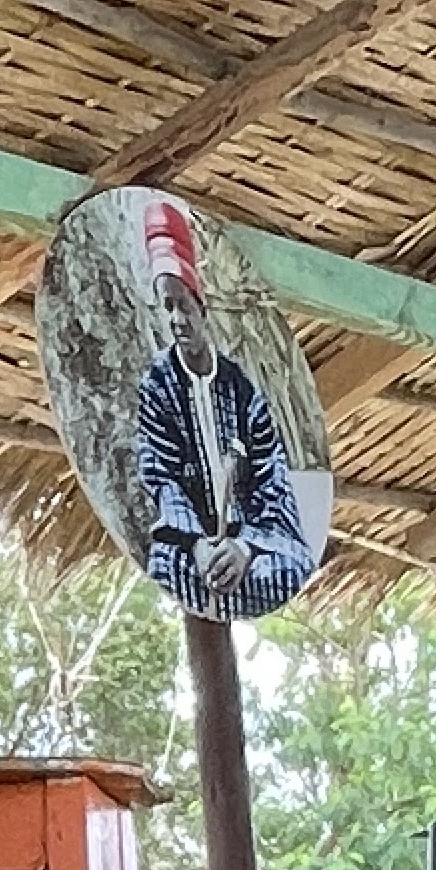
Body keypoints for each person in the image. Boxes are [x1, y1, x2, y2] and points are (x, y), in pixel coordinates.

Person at [129, 197, 314, 620]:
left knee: (291, 569)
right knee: (166, 569)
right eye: (167, 307)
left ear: (202, 308)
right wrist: (197, 545)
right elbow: (161, 475)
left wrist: (245, 547)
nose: (177, 319)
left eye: (184, 305)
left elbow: (271, 475)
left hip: (248, 541)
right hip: (191, 545)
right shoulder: (157, 385)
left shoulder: (241, 388)